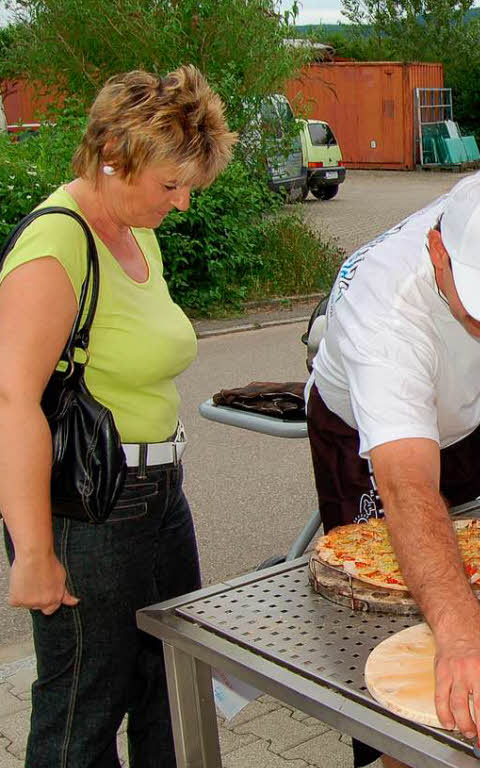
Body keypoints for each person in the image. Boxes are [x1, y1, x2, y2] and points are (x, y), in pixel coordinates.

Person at [0, 66, 236, 766]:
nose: (185, 203)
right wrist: (36, 554)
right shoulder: (56, 245)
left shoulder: (139, 230)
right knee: (83, 707)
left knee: (171, 681)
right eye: (171, 185)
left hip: (160, 494)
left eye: (190, 185)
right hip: (89, 509)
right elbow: (12, 403)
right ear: (113, 158)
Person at [307, 165, 480, 766]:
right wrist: (462, 636)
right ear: (438, 255)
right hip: (361, 433)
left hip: (463, 419)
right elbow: (407, 488)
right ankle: (383, 749)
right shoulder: (387, 313)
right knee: (377, 607)